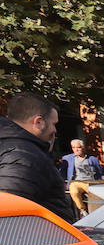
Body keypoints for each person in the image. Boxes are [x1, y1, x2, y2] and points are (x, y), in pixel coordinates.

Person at [0, 92, 76, 222]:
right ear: (39, 122)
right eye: (54, 124)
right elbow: (8, 212)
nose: (55, 131)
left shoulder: (15, 149)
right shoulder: (23, 155)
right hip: (42, 240)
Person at [60, 138, 103, 217]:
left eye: (78, 147)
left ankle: (97, 212)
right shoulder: (67, 159)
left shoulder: (92, 159)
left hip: (89, 182)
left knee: (96, 194)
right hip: (76, 182)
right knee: (74, 192)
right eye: (73, 147)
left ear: (83, 148)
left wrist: (98, 181)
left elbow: (98, 172)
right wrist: (63, 184)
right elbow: (62, 172)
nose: (76, 149)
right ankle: (82, 210)